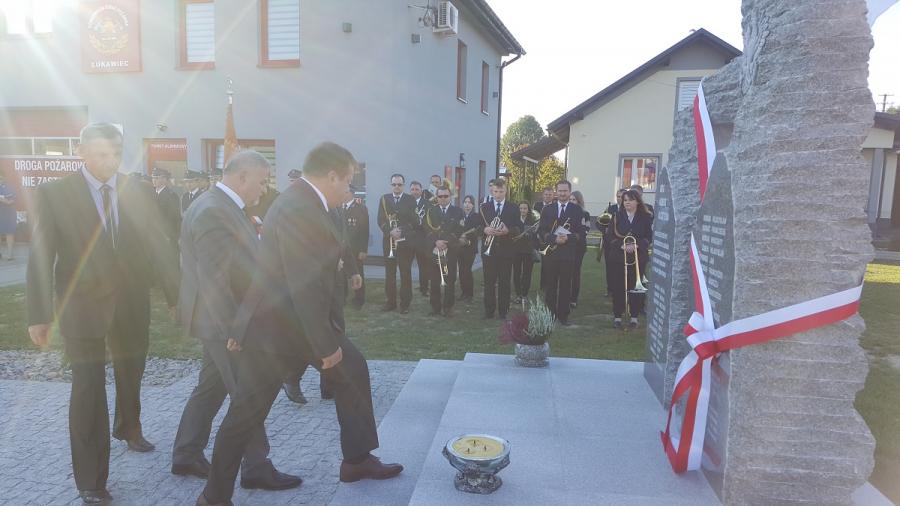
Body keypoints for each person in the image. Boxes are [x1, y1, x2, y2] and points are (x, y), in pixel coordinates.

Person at [199, 142, 403, 506]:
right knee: (247, 412)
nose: (349, 188)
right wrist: (326, 347)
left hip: (290, 322)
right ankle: (214, 497)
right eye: (348, 180)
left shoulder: (312, 202)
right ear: (332, 176)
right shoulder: (300, 208)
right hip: (279, 328)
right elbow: (302, 284)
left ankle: (356, 460)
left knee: (353, 369)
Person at [26, 123, 178, 506]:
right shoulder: (55, 194)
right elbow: (42, 254)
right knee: (88, 388)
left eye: (115, 154)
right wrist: (39, 314)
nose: (109, 162)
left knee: (132, 369)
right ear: (81, 153)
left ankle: (128, 426)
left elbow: (157, 244)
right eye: (100, 154)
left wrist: (175, 295)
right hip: (82, 306)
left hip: (131, 301)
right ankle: (91, 480)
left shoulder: (137, 189)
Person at [171, 150, 301, 491]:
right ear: (242, 177)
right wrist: (235, 330)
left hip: (213, 319)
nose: (263, 189)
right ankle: (256, 466)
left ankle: (186, 452)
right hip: (222, 322)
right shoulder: (215, 210)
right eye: (261, 181)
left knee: (211, 386)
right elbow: (214, 279)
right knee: (248, 393)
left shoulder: (218, 204)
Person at [604, 189, 652, 328]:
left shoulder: (645, 217)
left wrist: (637, 245)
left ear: (637, 201)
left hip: (638, 256)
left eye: (630, 200)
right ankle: (618, 316)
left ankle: (634, 317)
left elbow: (649, 237)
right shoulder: (616, 216)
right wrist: (622, 245)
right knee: (618, 286)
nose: (627, 202)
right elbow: (610, 236)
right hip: (619, 256)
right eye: (625, 200)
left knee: (635, 287)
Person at [538, 180, 584, 326]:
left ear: (569, 192)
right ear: (556, 192)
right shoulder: (547, 209)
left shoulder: (577, 210)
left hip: (568, 253)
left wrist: (568, 238)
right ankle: (549, 315)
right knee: (550, 285)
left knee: (565, 286)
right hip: (551, 253)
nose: (562, 193)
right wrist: (554, 239)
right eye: (560, 191)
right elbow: (541, 231)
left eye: (565, 191)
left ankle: (563, 316)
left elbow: (581, 233)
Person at [479, 179, 520, 319]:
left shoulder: (513, 207)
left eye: (501, 191)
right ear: (492, 191)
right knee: (489, 282)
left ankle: (503, 311)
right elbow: (477, 226)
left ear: (506, 191)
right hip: (488, 251)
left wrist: (508, 231)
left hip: (506, 251)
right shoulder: (484, 207)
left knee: (504, 283)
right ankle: (489, 311)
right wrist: (485, 229)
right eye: (495, 191)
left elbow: (519, 228)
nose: (498, 195)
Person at [377, 174, 415, 313]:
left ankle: (405, 304)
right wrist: (390, 231)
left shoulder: (410, 199)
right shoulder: (384, 199)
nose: (396, 187)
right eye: (394, 184)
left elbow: (414, 221)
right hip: (389, 241)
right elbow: (380, 219)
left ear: (403, 185)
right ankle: (390, 302)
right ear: (391, 185)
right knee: (390, 274)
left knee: (405, 273)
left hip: (405, 243)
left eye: (399, 184)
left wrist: (401, 231)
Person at [425, 186, 464, 317]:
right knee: (434, 281)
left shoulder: (458, 211)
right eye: (440, 196)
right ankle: (435, 308)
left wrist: (446, 242)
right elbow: (426, 229)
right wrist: (436, 241)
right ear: (436, 197)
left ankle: (448, 307)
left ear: (450, 196)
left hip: (450, 250)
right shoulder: (431, 211)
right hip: (434, 250)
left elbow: (459, 230)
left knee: (449, 280)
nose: (442, 198)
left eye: (445, 196)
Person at [343, 191, 369, 309]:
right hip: (341, 248)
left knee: (357, 272)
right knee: (341, 274)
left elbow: (364, 230)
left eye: (346, 192)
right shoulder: (338, 206)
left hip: (355, 248)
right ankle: (342, 297)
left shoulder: (360, 208)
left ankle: (359, 299)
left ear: (351, 194)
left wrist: (363, 249)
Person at [600, 189, 626, 296]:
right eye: (618, 196)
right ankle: (610, 290)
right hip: (610, 244)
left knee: (622, 269)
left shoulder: (629, 209)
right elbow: (600, 222)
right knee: (610, 268)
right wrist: (605, 230)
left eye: (622, 197)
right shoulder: (611, 208)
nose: (620, 199)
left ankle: (622, 291)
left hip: (623, 244)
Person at [512, 201, 538, 305]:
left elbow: (535, 237)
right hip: (516, 251)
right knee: (516, 273)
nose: (522, 210)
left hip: (528, 251)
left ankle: (524, 294)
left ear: (528, 210)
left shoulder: (532, 220)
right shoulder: (514, 220)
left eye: (525, 208)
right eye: (521, 208)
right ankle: (518, 294)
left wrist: (531, 234)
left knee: (527, 274)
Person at [152, 167, 182, 258]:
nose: (154, 180)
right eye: (153, 178)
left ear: (164, 179)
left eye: (157, 178)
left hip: (167, 236)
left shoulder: (171, 196)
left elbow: (174, 218)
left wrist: (170, 235)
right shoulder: (151, 194)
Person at [409, 181, 432, 297]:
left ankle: (424, 288)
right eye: (412, 189)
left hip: (422, 239)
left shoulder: (427, 204)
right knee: (406, 266)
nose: (414, 192)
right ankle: (407, 289)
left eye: (417, 189)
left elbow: (429, 221)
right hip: (408, 239)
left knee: (423, 266)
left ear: (421, 191)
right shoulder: (406, 202)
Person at [569, 191, 591, 309]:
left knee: (575, 272)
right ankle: (565, 295)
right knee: (566, 272)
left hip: (579, 246)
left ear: (579, 201)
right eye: (570, 199)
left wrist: (575, 235)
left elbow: (586, 229)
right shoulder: (566, 212)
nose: (572, 202)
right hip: (567, 245)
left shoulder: (585, 214)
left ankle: (573, 298)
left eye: (574, 200)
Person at [457, 195, 480, 302]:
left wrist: (466, 237)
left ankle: (469, 294)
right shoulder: (460, 215)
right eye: (465, 202)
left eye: (469, 202)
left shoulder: (476, 216)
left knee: (467, 270)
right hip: (460, 247)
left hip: (470, 247)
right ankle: (463, 293)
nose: (467, 204)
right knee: (461, 271)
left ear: (473, 205)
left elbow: (477, 231)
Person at [0, 173, 16, 261]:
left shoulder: (10, 187)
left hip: (9, 214)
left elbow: (11, 201)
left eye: (1, 177)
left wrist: (3, 200)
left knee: (9, 234)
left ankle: (10, 255)